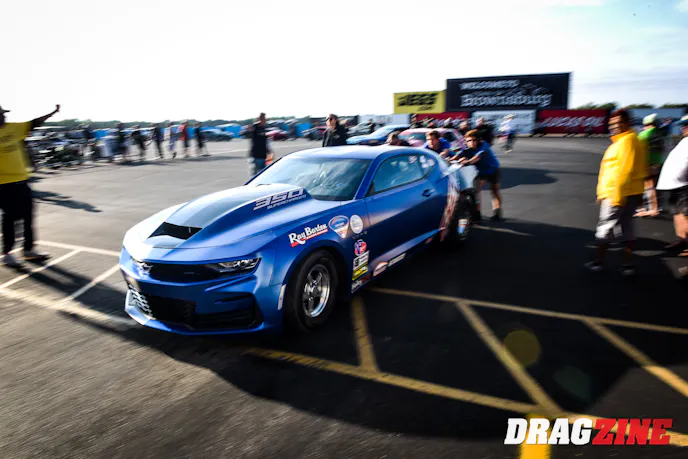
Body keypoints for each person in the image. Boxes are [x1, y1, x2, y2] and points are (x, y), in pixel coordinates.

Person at [585, 109, 647, 276]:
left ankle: (597, 262)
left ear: (628, 123)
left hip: (618, 193)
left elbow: (625, 171)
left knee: (606, 228)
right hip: (627, 192)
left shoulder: (627, 141)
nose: (614, 126)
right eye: (611, 124)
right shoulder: (625, 140)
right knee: (626, 228)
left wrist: (616, 197)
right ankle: (628, 265)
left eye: (618, 123)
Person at [0, 103, 60, 267]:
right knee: (10, 218)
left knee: (28, 215)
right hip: (3, 185)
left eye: (4, 113)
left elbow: (34, 122)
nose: (4, 116)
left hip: (22, 181)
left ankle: (28, 250)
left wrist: (52, 113)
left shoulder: (14, 128)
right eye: (1, 114)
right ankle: (7, 253)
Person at [656, 115, 688, 267]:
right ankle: (681, 240)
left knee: (686, 216)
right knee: (677, 213)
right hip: (674, 184)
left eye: (687, 124)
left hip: (684, 185)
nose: (683, 127)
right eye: (683, 124)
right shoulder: (684, 140)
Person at [454, 130, 503, 221]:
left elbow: (477, 157)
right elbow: (457, 155)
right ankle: (477, 214)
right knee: (476, 192)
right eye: (469, 140)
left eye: (474, 140)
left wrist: (467, 162)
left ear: (478, 140)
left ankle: (497, 212)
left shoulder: (484, 145)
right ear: (466, 141)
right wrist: (448, 160)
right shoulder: (465, 148)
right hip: (481, 171)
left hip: (493, 169)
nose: (471, 142)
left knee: (495, 191)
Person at [635, 113, 665, 217]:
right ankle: (658, 206)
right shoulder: (661, 133)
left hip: (647, 162)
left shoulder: (644, 134)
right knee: (656, 186)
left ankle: (651, 209)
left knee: (648, 186)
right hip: (659, 161)